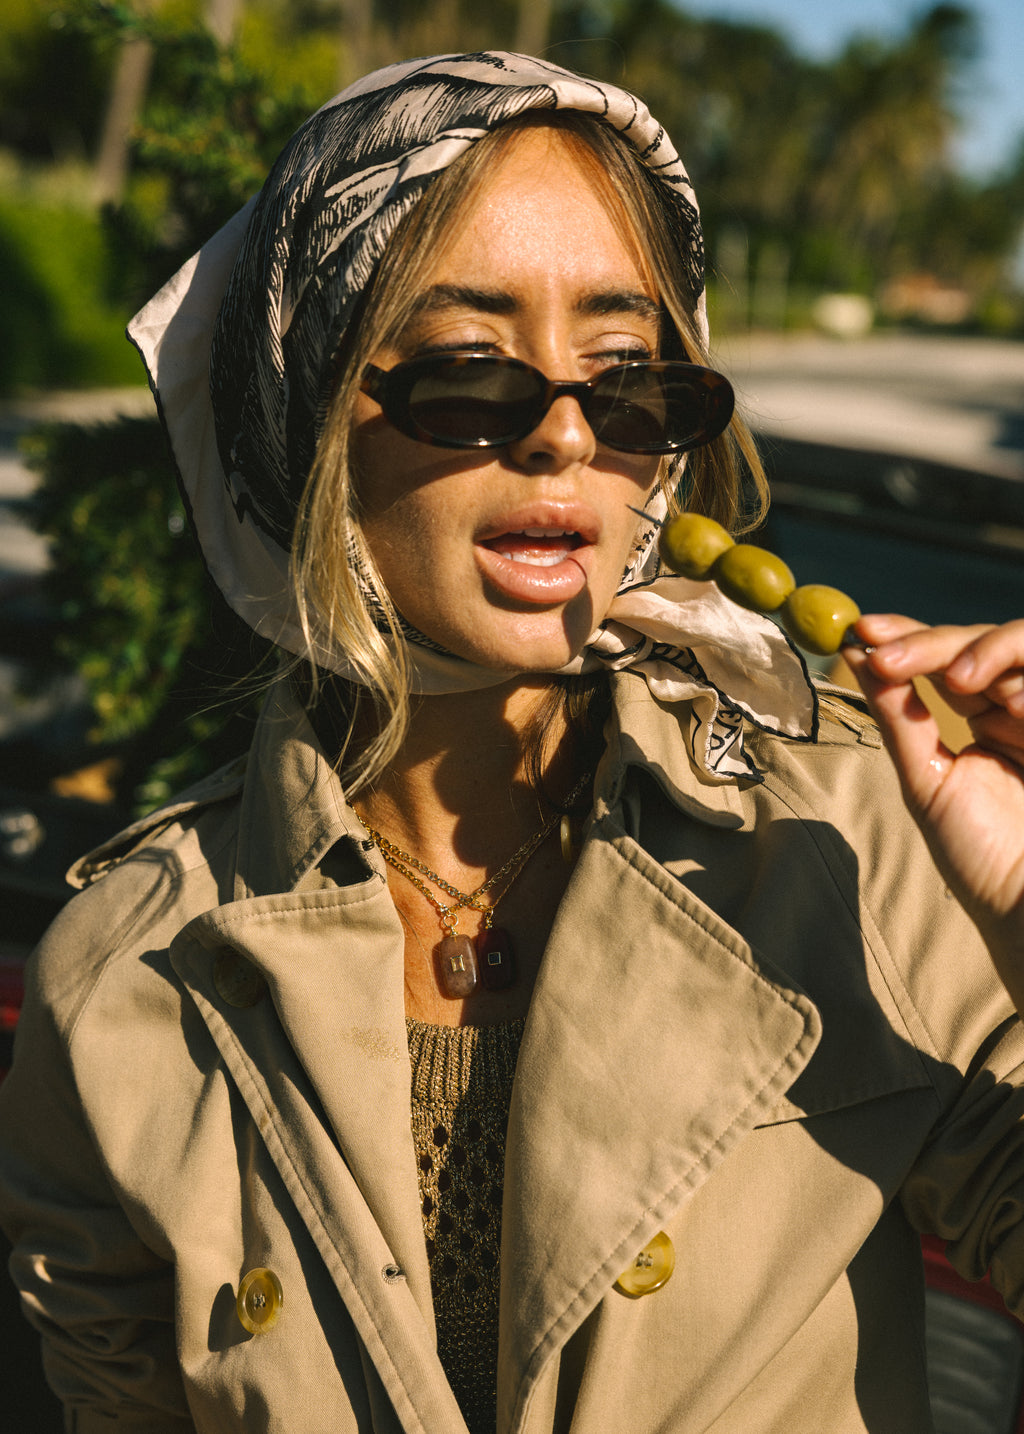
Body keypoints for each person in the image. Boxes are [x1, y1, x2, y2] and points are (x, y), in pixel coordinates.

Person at [1, 50, 1023, 1434]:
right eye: (470, 372)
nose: (562, 437)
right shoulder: (120, 983)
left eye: (622, 372)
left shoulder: (840, 848)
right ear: (304, 417)